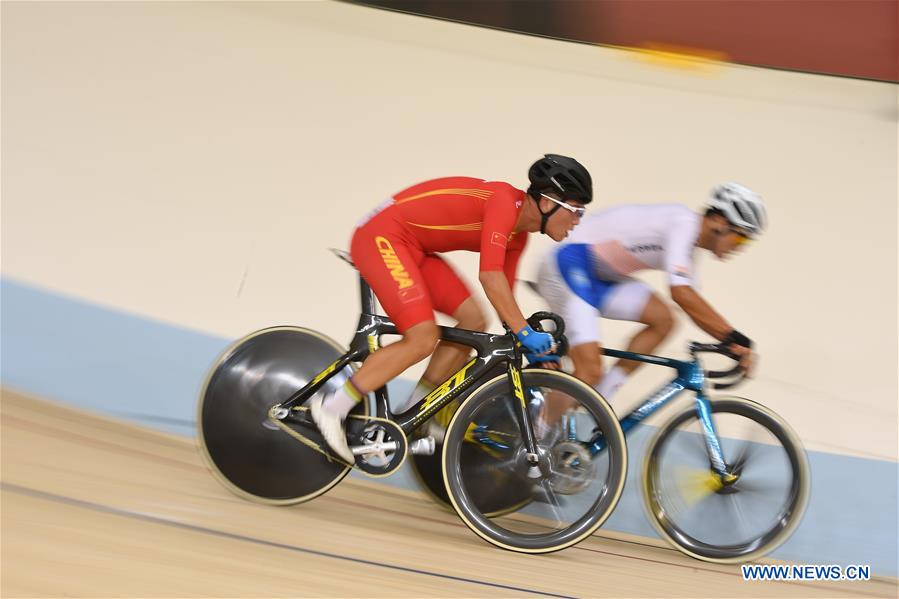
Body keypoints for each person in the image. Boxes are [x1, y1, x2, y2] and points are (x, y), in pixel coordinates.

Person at [311, 154, 594, 462]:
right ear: (548, 201)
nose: (577, 221)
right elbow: (489, 275)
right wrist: (524, 332)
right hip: (383, 236)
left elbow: (503, 299)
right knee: (422, 337)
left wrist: (532, 344)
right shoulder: (503, 202)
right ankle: (331, 408)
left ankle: (417, 411)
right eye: (576, 211)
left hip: (414, 247)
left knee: (473, 320)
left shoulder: (519, 237)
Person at [535, 182, 765, 401]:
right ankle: (539, 431)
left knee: (664, 319)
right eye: (740, 236)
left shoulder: (688, 247)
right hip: (568, 261)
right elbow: (682, 294)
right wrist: (733, 337)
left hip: (598, 275)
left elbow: (694, 306)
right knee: (590, 372)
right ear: (718, 220)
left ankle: (602, 396)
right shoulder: (683, 223)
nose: (739, 246)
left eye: (745, 242)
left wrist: (732, 341)